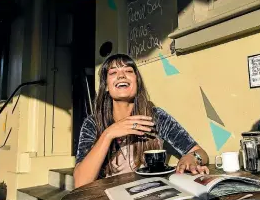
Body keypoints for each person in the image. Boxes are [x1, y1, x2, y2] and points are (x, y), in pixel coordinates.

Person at [74, 54, 209, 188]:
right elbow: (81, 182)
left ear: (137, 82)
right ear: (107, 87)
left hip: (151, 196)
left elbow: (200, 152)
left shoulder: (155, 116)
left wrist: (192, 157)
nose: (121, 75)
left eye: (128, 71)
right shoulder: (93, 123)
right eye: (113, 72)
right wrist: (108, 134)